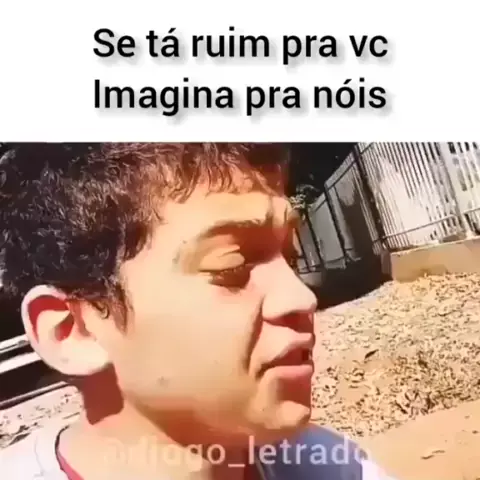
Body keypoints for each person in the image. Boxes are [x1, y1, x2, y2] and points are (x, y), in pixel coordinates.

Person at [0, 143, 394, 479]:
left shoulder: (333, 466)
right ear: (72, 331)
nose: (301, 297)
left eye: (291, 257)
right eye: (232, 266)